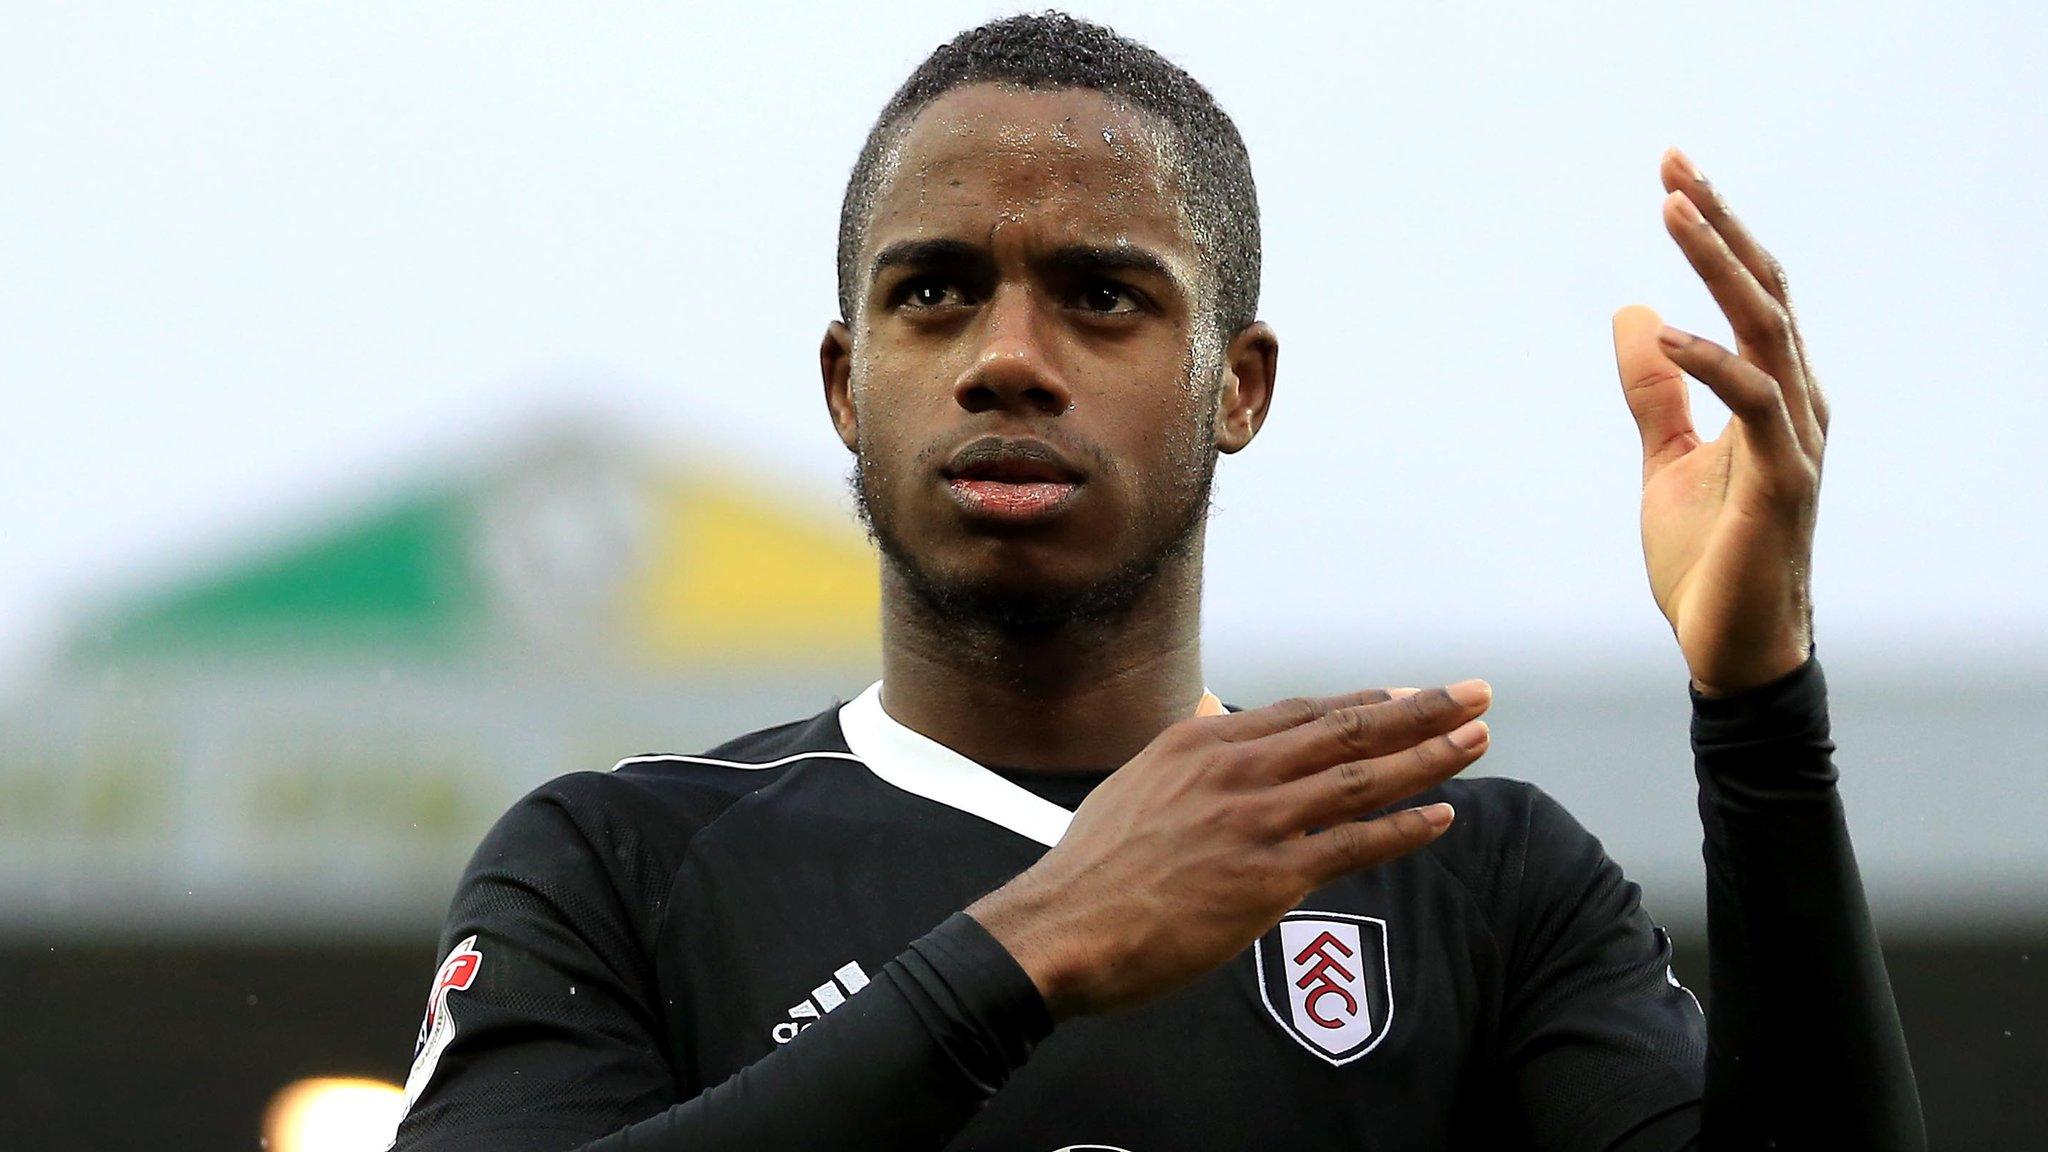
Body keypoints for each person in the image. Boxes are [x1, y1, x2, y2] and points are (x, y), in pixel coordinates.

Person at [388, 13, 1923, 1150]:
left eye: (1103, 298)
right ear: (849, 384)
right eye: (935, 294)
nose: (1005, 360)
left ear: (1236, 389)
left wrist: (1764, 704)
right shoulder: (618, 865)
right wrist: (1027, 951)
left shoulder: (1471, 875)